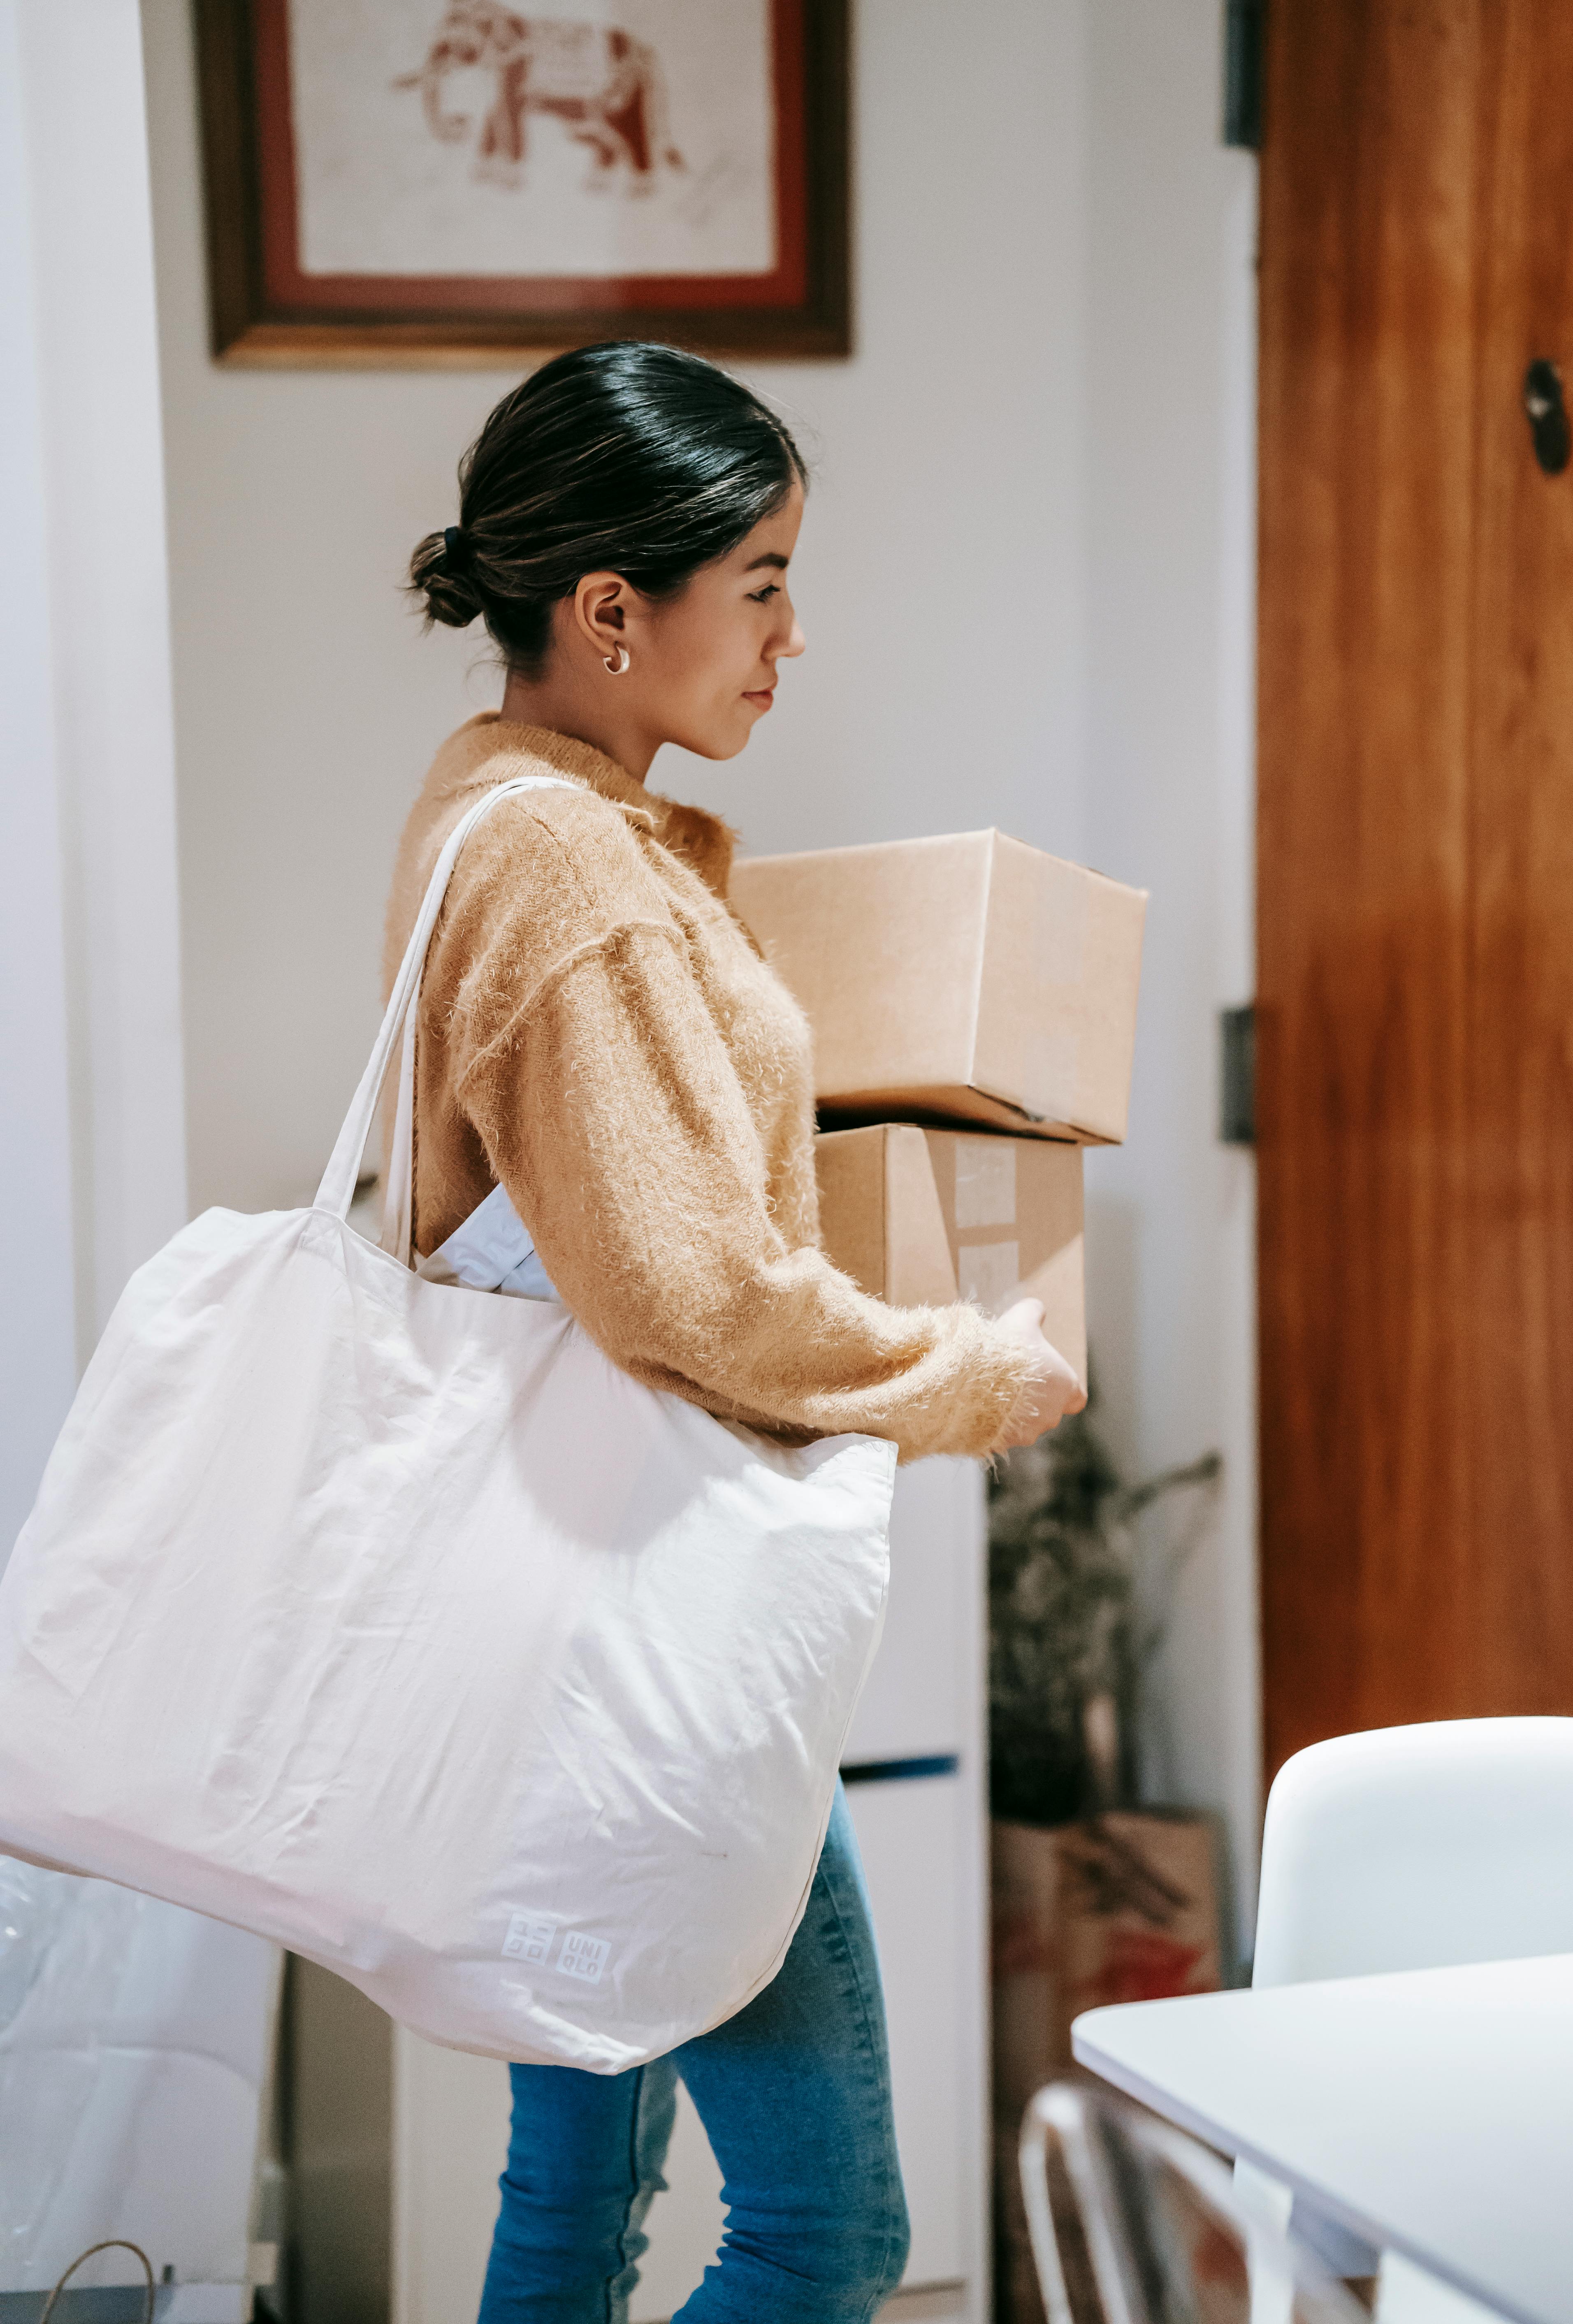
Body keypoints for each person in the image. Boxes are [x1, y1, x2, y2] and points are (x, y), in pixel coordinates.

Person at [389, 340, 1083, 2324]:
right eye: (762, 582)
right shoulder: (566, 868)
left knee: (576, 2183)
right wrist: (963, 1369)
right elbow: (682, 1290)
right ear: (613, 612)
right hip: (648, 1659)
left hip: (550, 1618)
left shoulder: (494, 810)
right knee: (826, 2230)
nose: (792, 637)